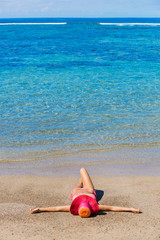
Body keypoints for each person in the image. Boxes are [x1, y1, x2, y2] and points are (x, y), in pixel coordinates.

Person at [30, 168, 140, 218]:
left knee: (81, 176)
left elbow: (56, 208)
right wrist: (130, 209)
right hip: (84, 190)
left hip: (78, 192)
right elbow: (112, 208)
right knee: (82, 171)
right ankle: (81, 182)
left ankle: (80, 182)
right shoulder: (95, 207)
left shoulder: (74, 207)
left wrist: (40, 209)